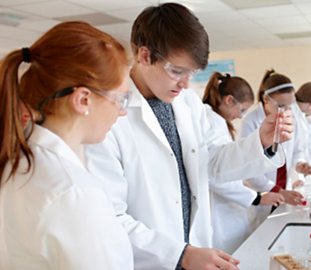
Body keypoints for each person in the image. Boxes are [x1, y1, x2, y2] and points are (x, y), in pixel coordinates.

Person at [85, 3, 293, 270]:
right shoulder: (108, 116)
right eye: (177, 71)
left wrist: (261, 141)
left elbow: (214, 164)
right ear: (144, 56)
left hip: (194, 252)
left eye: (192, 73)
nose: (185, 84)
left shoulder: (188, 104)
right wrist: (179, 254)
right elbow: (109, 218)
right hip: (150, 261)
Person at [0, 22, 133, 270]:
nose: (123, 112)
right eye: (120, 98)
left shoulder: (19, 162)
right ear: (83, 100)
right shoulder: (73, 191)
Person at [202, 72, 285, 253]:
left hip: (230, 206)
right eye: (241, 110)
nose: (241, 117)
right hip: (219, 210)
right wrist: (256, 197)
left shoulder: (217, 121)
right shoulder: (211, 121)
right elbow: (214, 175)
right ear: (229, 100)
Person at [241, 69, 311, 228]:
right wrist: (276, 190)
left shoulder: (289, 116)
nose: (287, 111)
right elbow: (248, 169)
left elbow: (296, 149)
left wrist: (299, 164)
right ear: (266, 99)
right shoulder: (250, 122)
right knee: (262, 236)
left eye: (290, 105)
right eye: (281, 106)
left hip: (284, 190)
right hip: (262, 195)